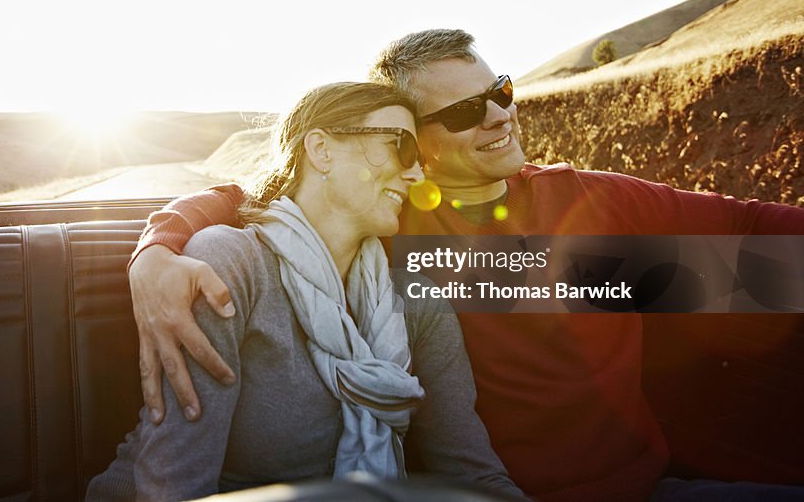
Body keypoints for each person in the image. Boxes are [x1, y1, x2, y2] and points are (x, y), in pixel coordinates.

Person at [126, 29, 804, 502]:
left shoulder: (582, 200)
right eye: (466, 109)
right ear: (413, 146)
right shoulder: (402, 238)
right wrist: (159, 246)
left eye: (502, 89)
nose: (500, 114)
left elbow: (745, 233)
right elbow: (268, 195)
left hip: (647, 487)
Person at [87, 81, 526, 501]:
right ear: (321, 150)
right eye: (401, 148)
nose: (415, 177)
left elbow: (472, 474)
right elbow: (176, 480)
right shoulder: (229, 264)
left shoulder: (417, 301)